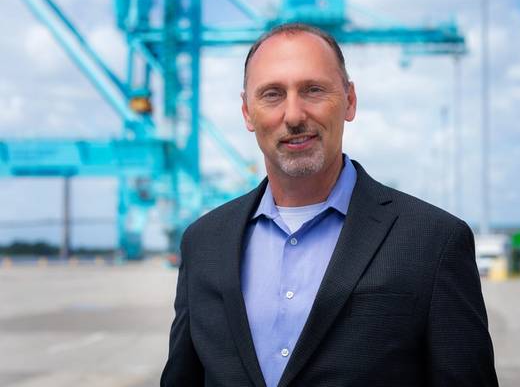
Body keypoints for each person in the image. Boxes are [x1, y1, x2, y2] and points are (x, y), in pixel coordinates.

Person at [161, 23, 498, 387]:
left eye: (313, 90)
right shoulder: (203, 243)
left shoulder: (433, 242)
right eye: (272, 94)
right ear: (247, 112)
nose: (293, 115)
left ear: (350, 100)